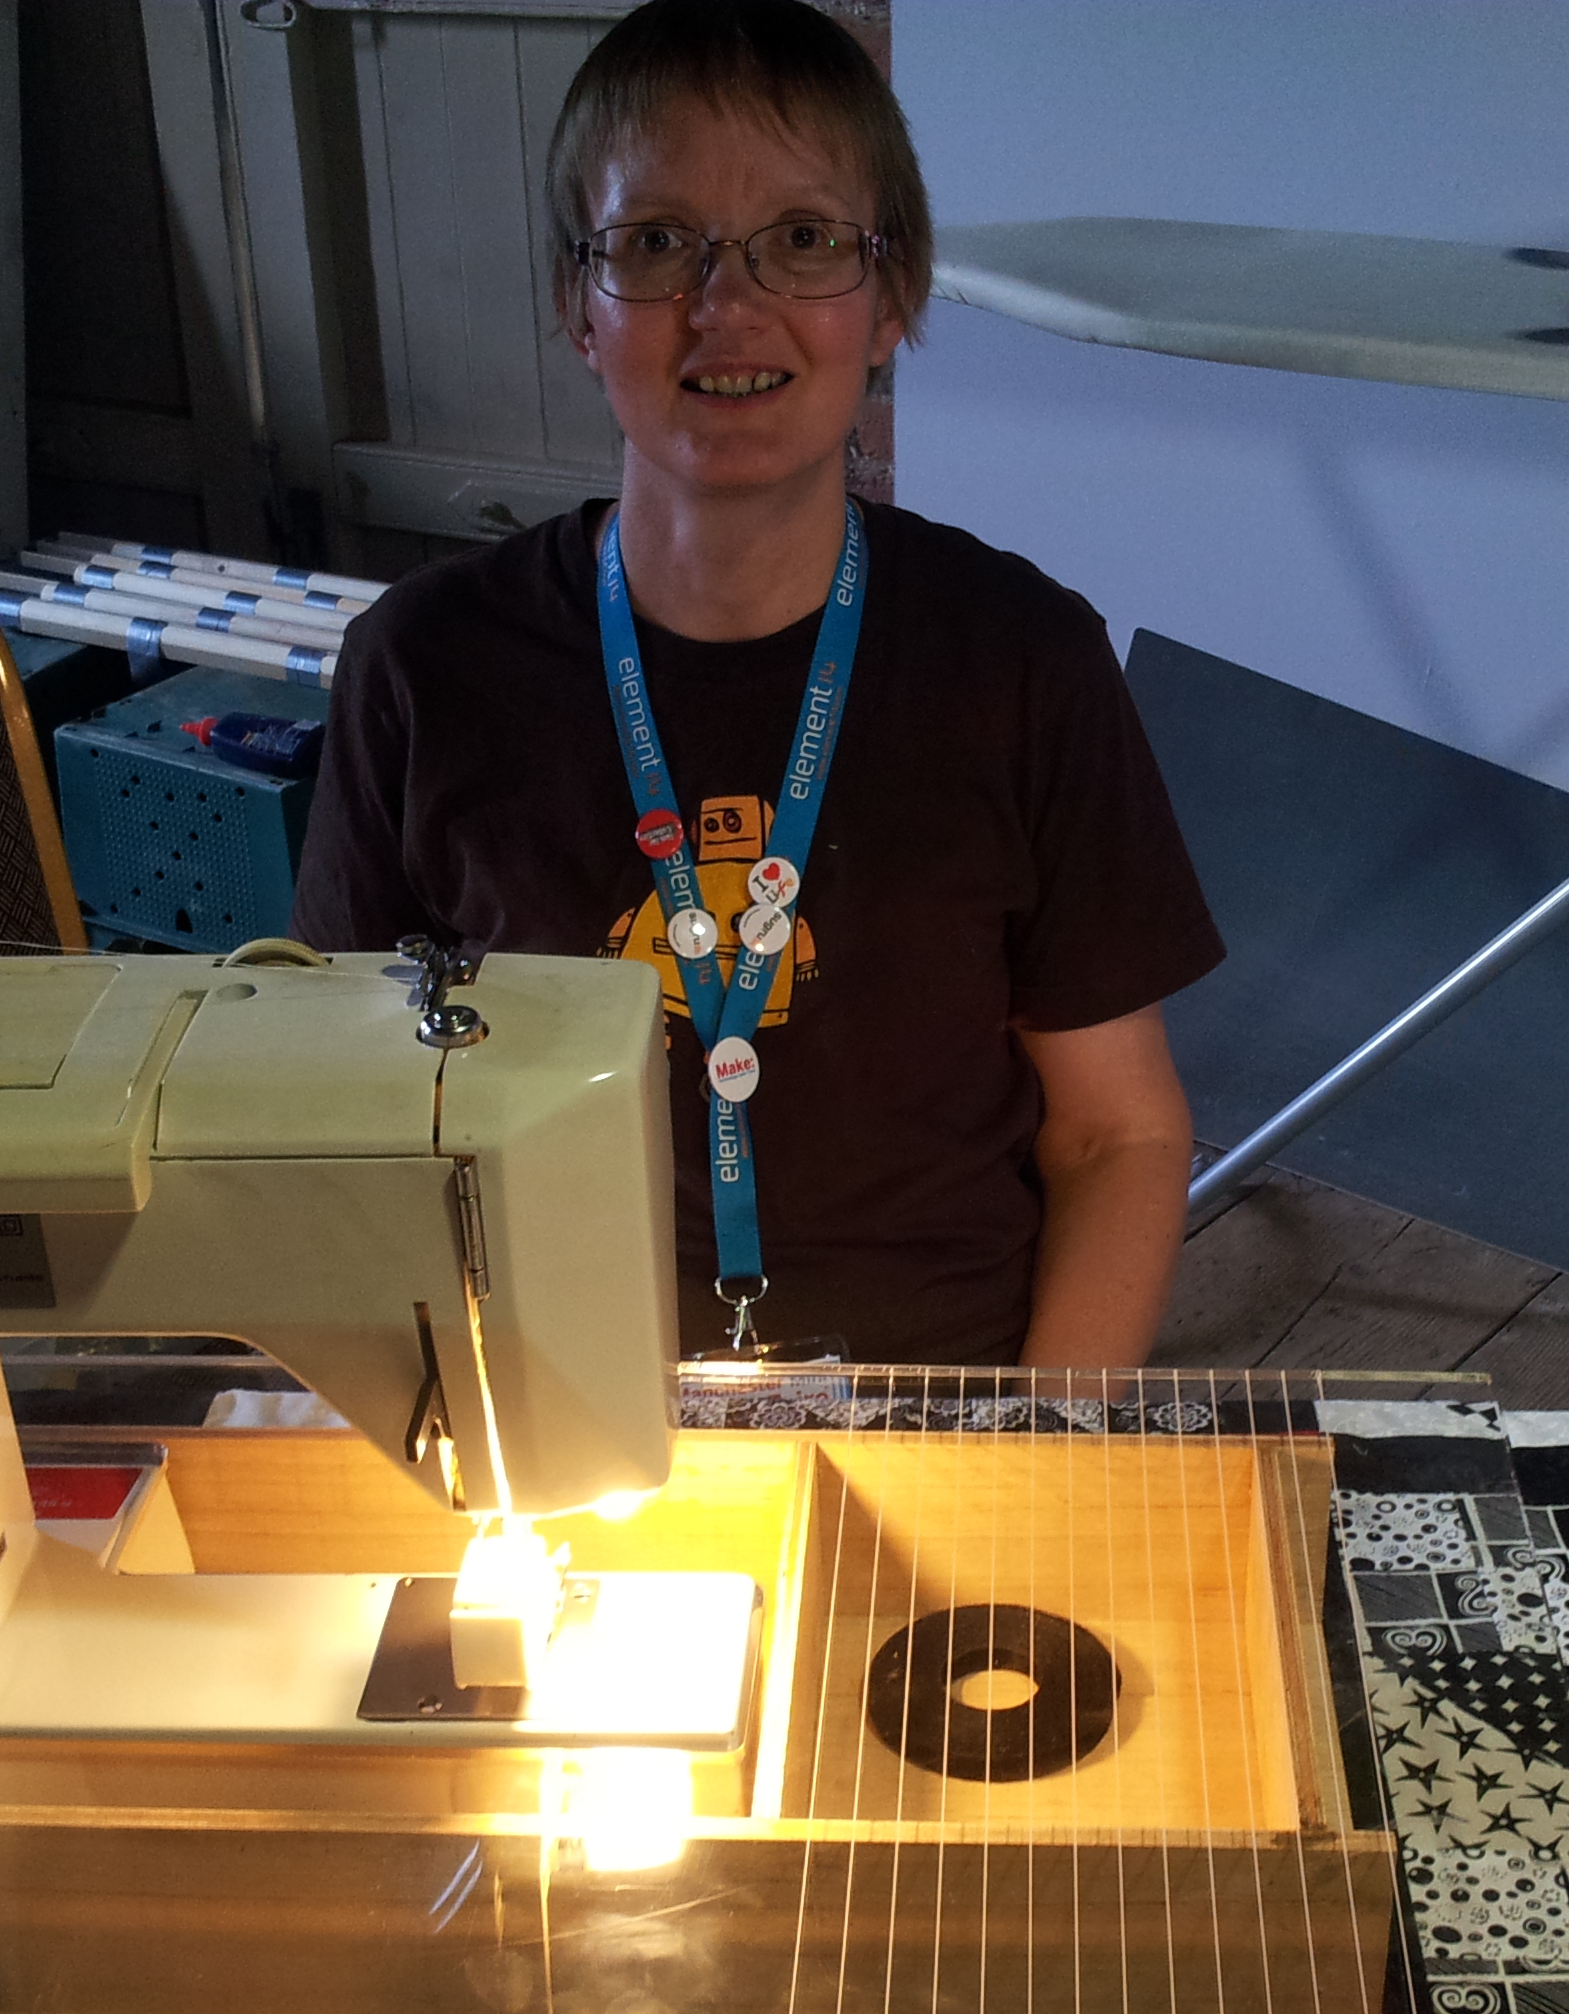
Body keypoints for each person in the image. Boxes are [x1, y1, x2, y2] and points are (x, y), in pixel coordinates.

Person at [294, 0, 1221, 1368]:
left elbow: (1118, 1132)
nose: (727, 309)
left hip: (943, 1386)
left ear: (892, 298)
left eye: (804, 240)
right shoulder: (424, 668)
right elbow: (340, 1122)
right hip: (548, 1384)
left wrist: (1038, 1445)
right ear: (575, 303)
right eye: (656, 243)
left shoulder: (1023, 660)